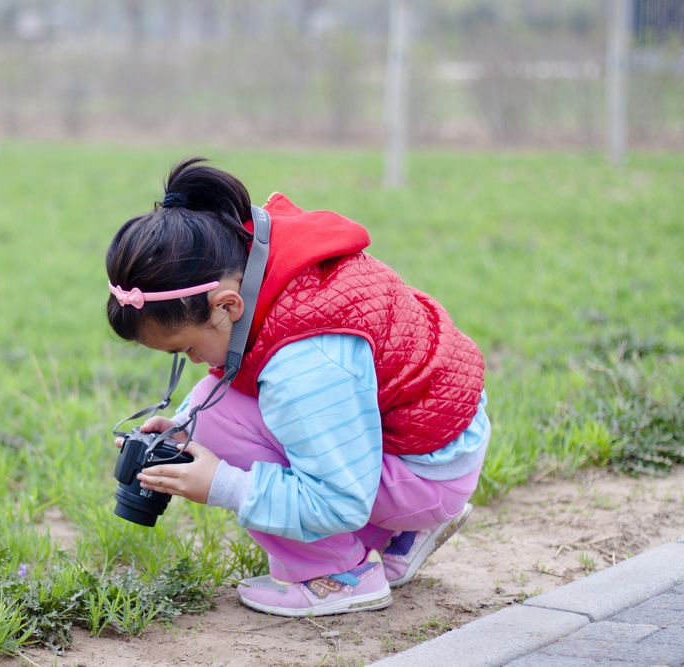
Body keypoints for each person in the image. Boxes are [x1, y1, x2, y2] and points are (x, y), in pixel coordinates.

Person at [105, 157, 489, 617]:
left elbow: (339, 500)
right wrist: (185, 422)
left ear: (227, 304)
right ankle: (396, 533)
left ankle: (336, 577)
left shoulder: (307, 360)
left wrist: (222, 484)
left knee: (220, 430)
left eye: (186, 348)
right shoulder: (261, 256)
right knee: (208, 415)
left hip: (425, 475)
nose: (192, 361)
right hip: (432, 445)